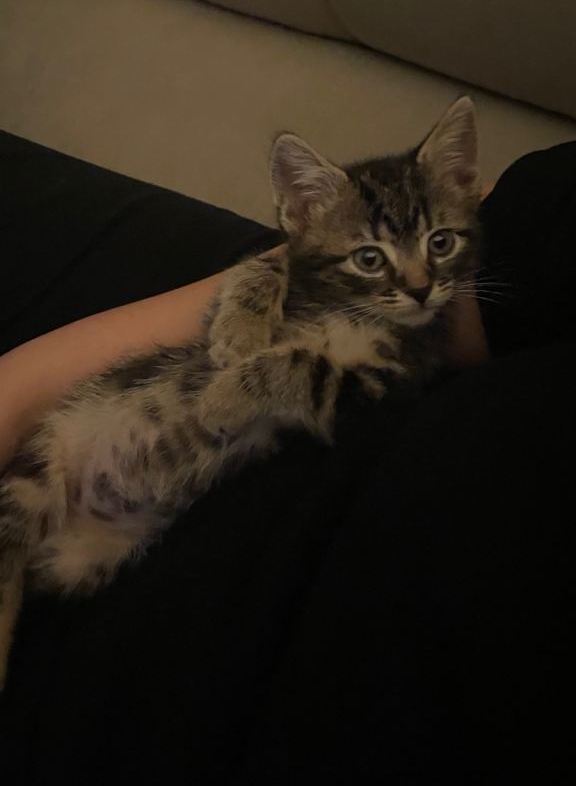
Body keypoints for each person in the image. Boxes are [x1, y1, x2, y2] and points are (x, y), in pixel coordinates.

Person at [0, 129, 574, 784]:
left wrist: (265, 374)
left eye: (438, 249)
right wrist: (261, 281)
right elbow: (518, 226)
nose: (419, 283)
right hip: (154, 401)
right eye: (382, 259)